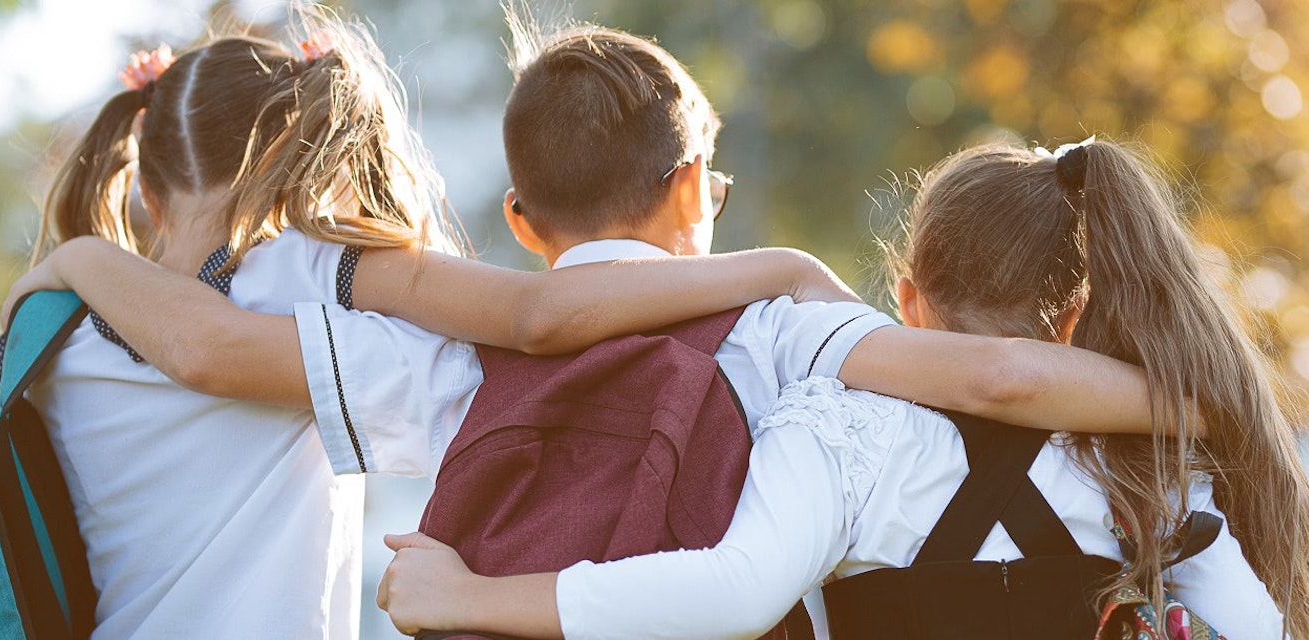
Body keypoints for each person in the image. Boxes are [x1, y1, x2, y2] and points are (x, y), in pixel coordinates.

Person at [14, 14, 1170, 636]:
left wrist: (73, 258)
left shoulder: (431, 365)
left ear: (519, 217)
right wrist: (1196, 398)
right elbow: (998, 377)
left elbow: (536, 313)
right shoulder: (777, 329)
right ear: (694, 184)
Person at [376, 140, 1309, 640]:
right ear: (1073, 320)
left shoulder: (840, 428)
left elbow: (734, 594)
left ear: (904, 298)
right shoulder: (1145, 461)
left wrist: (470, 597)